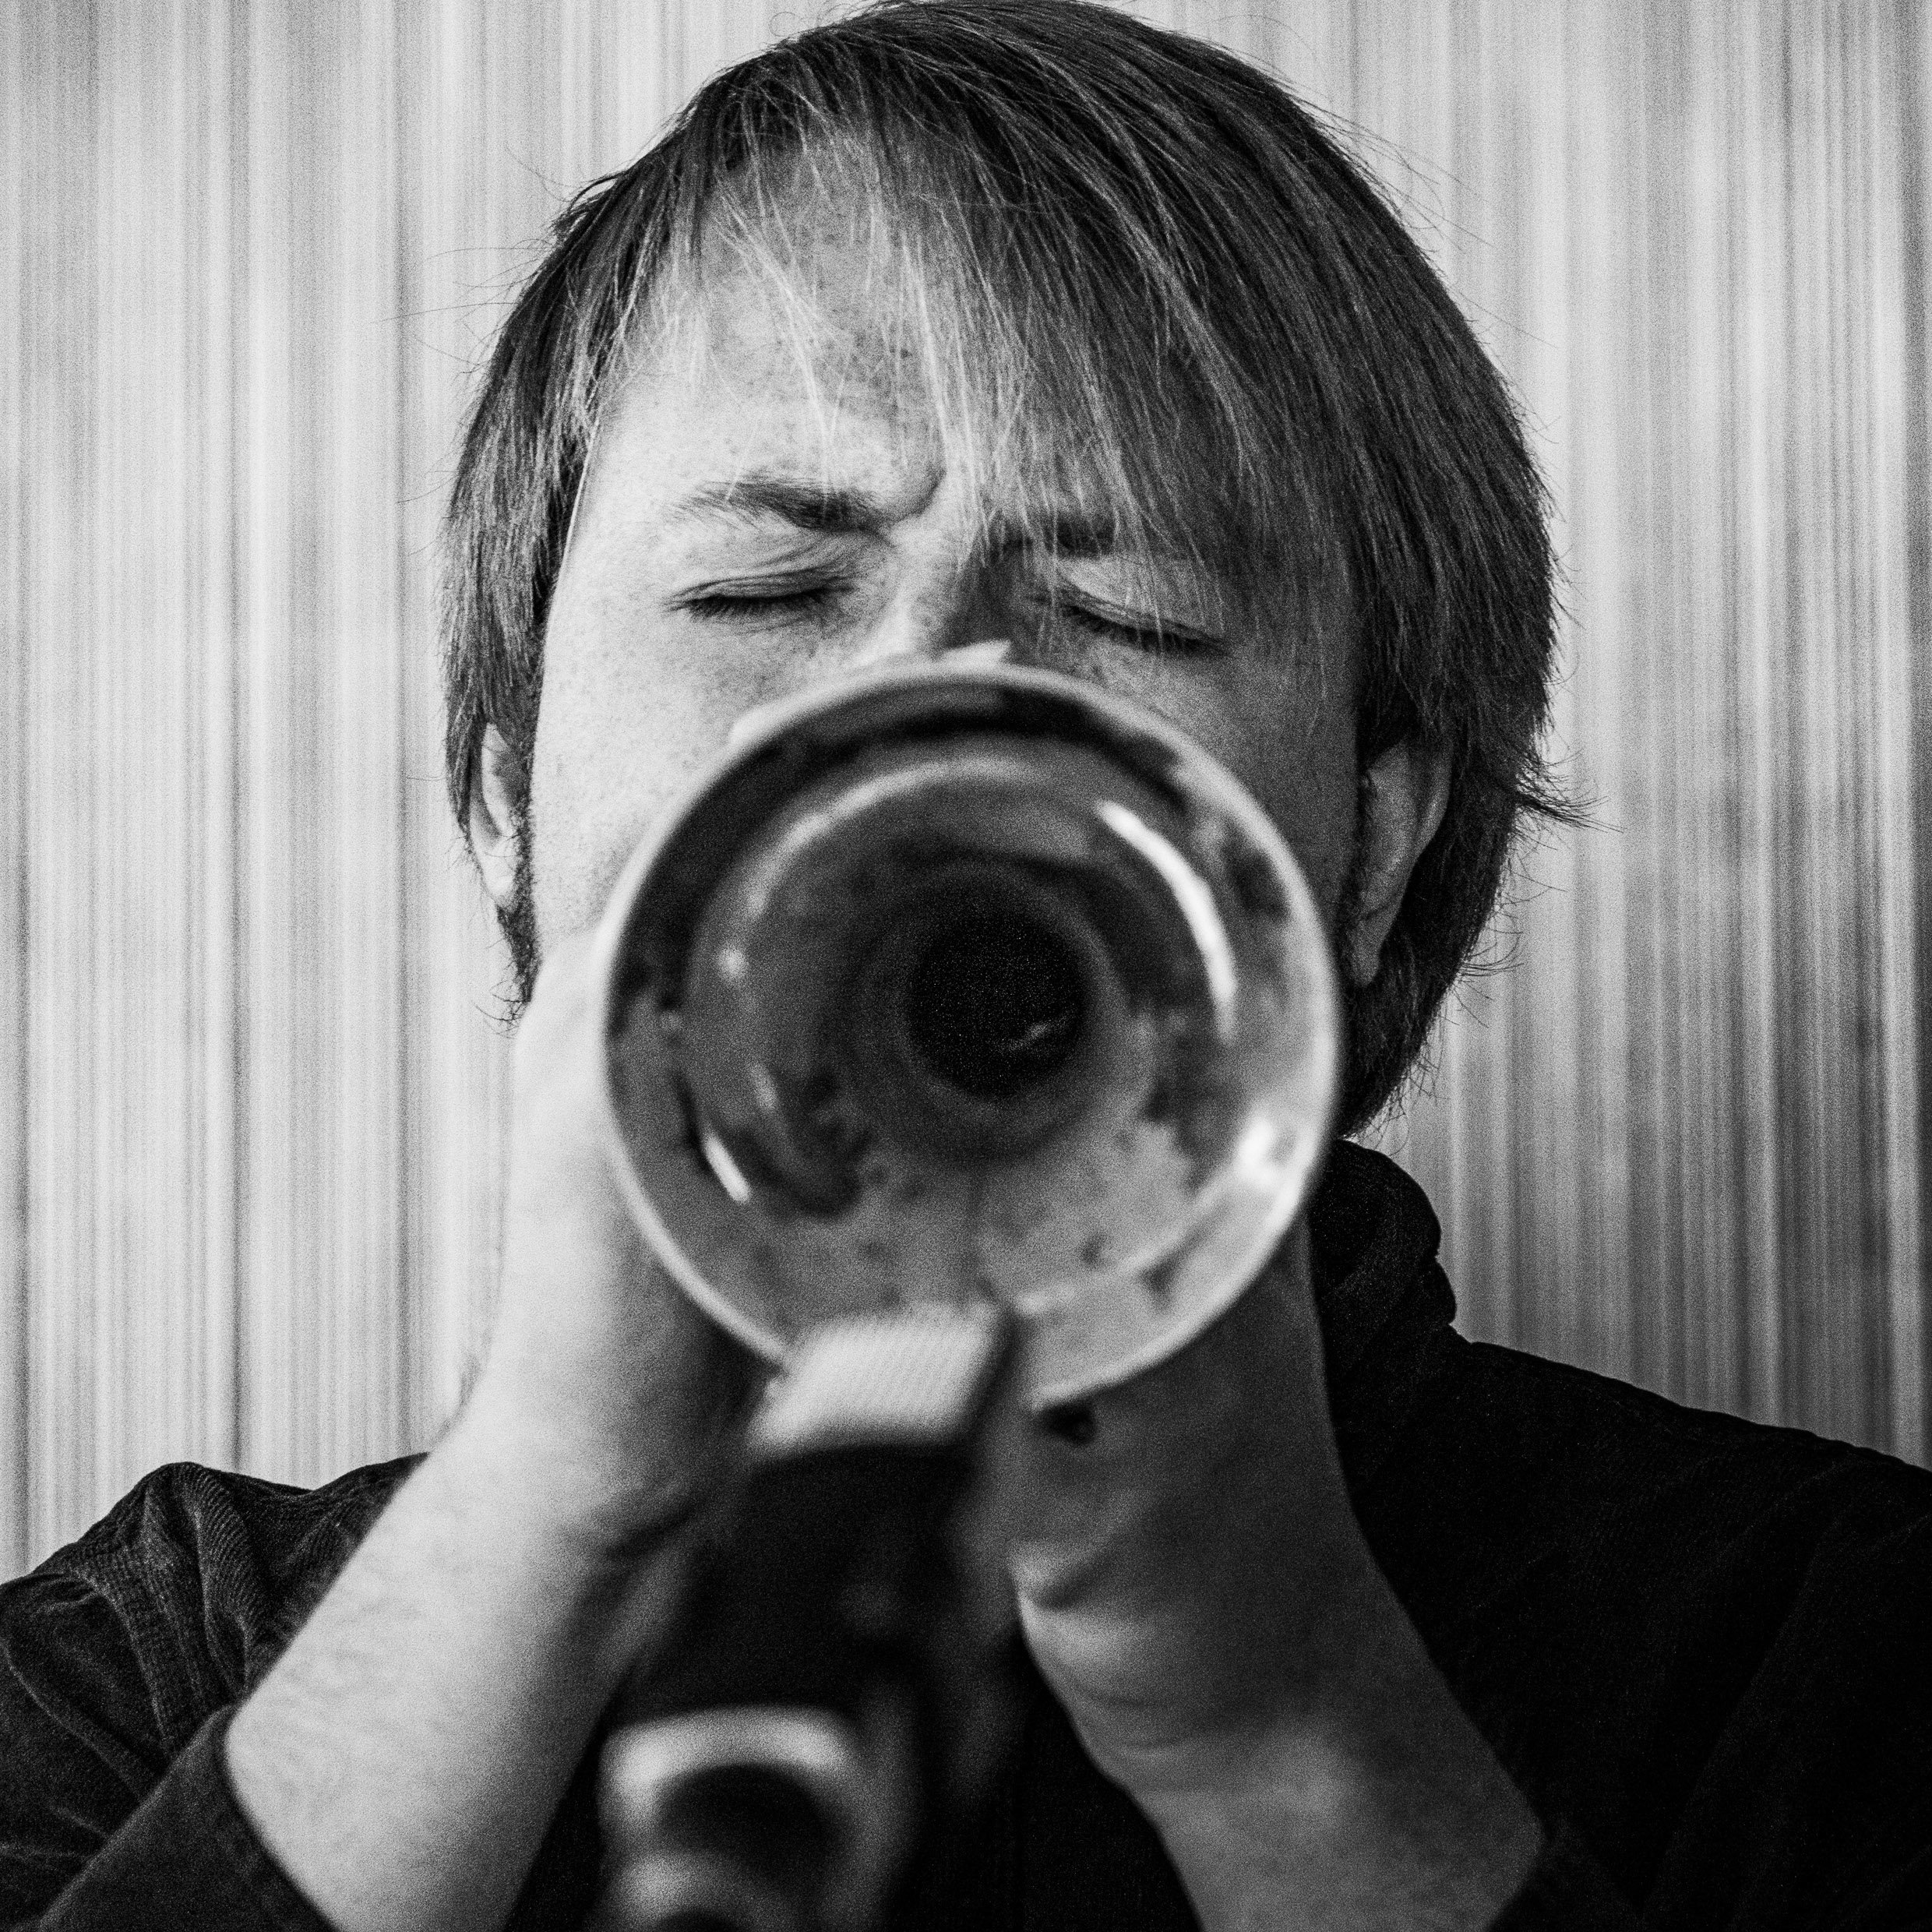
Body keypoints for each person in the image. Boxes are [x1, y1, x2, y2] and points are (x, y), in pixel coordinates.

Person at [4, 3, 1930, 1928]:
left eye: (1128, 612)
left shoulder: (1830, 1656)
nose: (928, 704)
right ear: (508, 787)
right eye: (768, 589)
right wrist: (545, 1518)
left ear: (1372, 845)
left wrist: (1278, 1721)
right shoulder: (146, 1665)